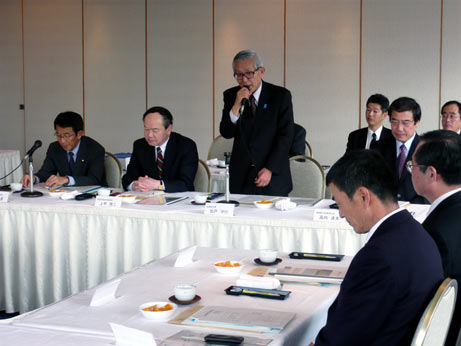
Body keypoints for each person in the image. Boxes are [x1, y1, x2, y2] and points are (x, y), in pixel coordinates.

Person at [312, 150, 443, 346]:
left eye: (340, 203)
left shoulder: (378, 257)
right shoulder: (417, 233)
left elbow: (340, 339)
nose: (340, 214)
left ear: (364, 196)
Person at [410, 130, 461, 346]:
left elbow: (426, 306)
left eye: (412, 166)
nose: (410, 172)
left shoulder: (436, 231)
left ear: (431, 174)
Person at [220, 49, 294, 196]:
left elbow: (285, 136)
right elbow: (226, 132)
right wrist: (236, 105)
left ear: (261, 71)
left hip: (272, 176)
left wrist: (270, 168)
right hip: (241, 177)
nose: (244, 80)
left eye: (249, 73)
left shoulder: (280, 96)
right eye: (239, 75)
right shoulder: (231, 95)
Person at [20, 111, 106, 188]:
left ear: (79, 134)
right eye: (58, 135)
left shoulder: (95, 149)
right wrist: (34, 178)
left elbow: (94, 179)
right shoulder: (54, 148)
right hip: (66, 195)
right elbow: (46, 172)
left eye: (67, 135)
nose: (62, 141)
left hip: (92, 195)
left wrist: (67, 180)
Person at [122, 106, 198, 192]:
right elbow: (127, 178)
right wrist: (133, 185)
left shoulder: (186, 146)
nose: (150, 135)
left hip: (179, 199)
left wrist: (158, 185)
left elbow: (185, 184)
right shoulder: (140, 145)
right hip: (147, 199)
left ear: (168, 129)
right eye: (146, 129)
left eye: (155, 130)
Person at [376, 96, 427, 203]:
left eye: (406, 123)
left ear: (416, 122)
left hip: (418, 210)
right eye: (394, 122)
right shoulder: (378, 147)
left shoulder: (427, 149)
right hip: (385, 209)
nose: (399, 128)